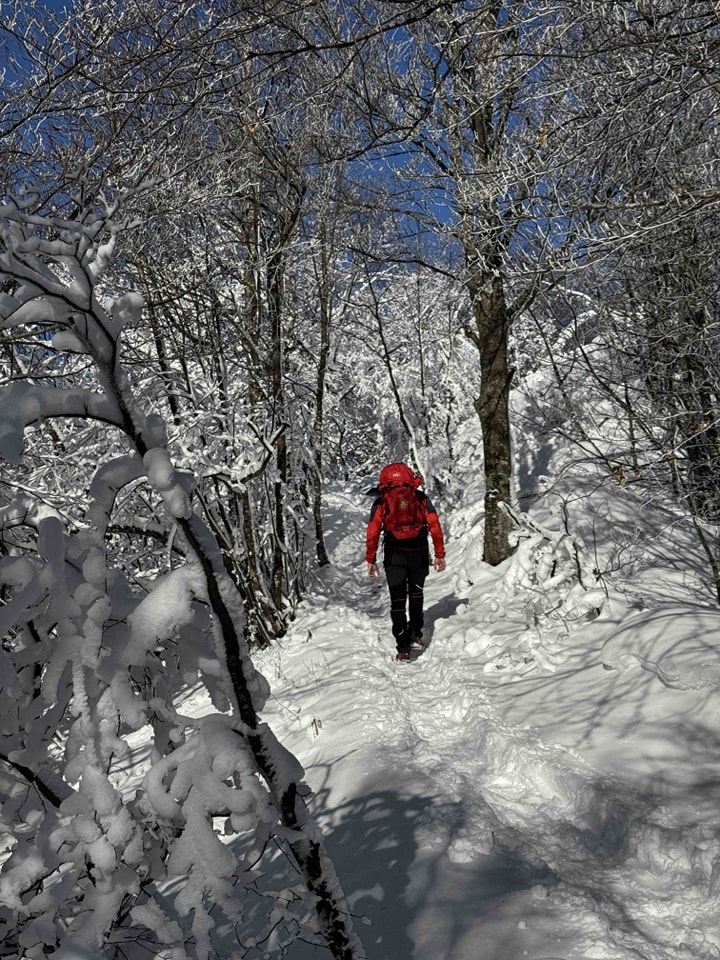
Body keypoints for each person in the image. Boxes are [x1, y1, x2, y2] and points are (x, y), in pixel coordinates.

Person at [365, 463, 446, 661]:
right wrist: (439, 554)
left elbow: (373, 531)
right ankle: (416, 633)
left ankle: (402, 646)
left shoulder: (382, 501)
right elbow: (435, 525)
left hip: (395, 554)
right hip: (418, 553)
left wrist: (371, 559)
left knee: (398, 600)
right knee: (416, 593)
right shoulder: (420, 499)